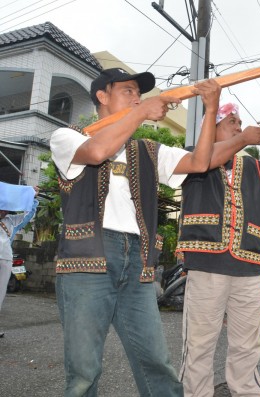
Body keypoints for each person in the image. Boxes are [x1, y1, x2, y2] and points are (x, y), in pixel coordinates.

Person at [50, 67, 221, 397]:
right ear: (102, 96)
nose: (136, 97)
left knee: (157, 362)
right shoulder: (68, 136)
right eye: (127, 91)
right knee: (84, 371)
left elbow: (201, 162)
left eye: (138, 94)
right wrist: (141, 111)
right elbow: (97, 152)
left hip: (138, 262)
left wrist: (211, 109)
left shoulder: (148, 149)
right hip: (87, 261)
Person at [176, 103, 260, 397]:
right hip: (206, 263)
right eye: (232, 121)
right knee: (199, 346)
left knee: (247, 346)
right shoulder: (191, 156)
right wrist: (242, 140)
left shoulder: (253, 164)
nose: (239, 127)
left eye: (240, 123)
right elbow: (204, 162)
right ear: (211, 125)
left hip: (251, 265)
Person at [0, 183, 39, 338]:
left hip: (5, 260)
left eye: (6, 208)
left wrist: (32, 197)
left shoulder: (11, 221)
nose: (4, 210)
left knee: (0, 294)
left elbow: (28, 214)